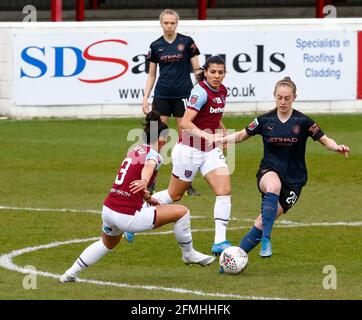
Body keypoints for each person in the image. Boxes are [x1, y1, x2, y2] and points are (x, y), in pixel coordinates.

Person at [59, 111, 215, 283]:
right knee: (182, 212)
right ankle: (188, 254)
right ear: (162, 140)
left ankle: (69, 274)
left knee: (106, 244)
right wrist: (145, 180)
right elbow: (148, 166)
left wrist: (147, 197)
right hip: (127, 216)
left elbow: (129, 179)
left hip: (109, 209)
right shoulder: (154, 155)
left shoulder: (134, 150)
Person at [213, 76, 350, 259]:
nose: (283, 101)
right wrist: (222, 139)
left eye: (287, 98)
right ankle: (266, 240)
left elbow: (325, 140)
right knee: (273, 186)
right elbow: (240, 135)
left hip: (294, 181)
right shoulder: (264, 120)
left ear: (294, 97)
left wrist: (336, 147)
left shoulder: (303, 121)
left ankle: (232, 259)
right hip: (268, 171)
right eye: (279, 97)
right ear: (274, 96)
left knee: (262, 222)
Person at [143, 55, 232, 256]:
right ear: (205, 72)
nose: (217, 76)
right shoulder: (200, 92)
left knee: (224, 189)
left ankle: (220, 241)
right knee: (174, 195)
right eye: (213, 72)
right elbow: (184, 123)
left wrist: (223, 133)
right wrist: (206, 135)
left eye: (220, 72)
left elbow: (213, 117)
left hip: (209, 151)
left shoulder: (223, 91)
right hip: (189, 150)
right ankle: (139, 211)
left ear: (225, 74)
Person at [142, 8, 203, 198]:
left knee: (186, 139)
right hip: (162, 95)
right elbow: (152, 74)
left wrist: (204, 92)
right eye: (166, 23)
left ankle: (186, 182)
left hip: (184, 95)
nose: (169, 26)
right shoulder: (155, 46)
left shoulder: (187, 42)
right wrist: (146, 98)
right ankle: (149, 181)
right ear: (161, 23)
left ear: (177, 23)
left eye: (172, 23)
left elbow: (197, 69)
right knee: (155, 138)